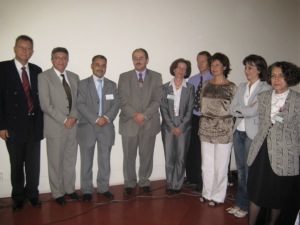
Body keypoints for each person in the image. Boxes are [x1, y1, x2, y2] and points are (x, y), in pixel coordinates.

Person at [247, 61, 300, 225]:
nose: (276, 79)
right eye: (273, 75)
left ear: (289, 77)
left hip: (285, 153)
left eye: (281, 76)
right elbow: (263, 124)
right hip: (261, 151)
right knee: (256, 192)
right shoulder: (263, 97)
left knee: (278, 194)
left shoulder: (298, 100)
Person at [0, 35, 43, 211]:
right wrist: (1, 125)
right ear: (15, 48)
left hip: (34, 123)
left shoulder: (37, 70)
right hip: (13, 126)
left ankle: (32, 195)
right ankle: (18, 197)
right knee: (17, 164)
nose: (25, 51)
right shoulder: (2, 68)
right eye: (21, 47)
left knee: (33, 165)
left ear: (32, 51)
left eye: (28, 48)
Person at [228, 55, 272, 218]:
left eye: (250, 67)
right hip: (239, 131)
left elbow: (254, 111)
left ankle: (247, 206)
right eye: (246, 67)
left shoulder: (266, 88)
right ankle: (240, 202)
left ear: (259, 69)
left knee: (249, 171)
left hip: (252, 134)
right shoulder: (241, 87)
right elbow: (232, 109)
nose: (247, 71)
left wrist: (243, 109)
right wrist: (246, 109)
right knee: (240, 170)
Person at [38, 47, 81, 205]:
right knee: (55, 161)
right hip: (55, 126)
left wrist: (74, 117)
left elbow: (78, 101)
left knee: (70, 159)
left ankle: (70, 189)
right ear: (52, 60)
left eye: (64, 58)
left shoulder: (74, 77)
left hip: (73, 126)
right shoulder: (44, 77)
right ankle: (57, 192)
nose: (61, 61)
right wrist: (65, 119)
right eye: (58, 57)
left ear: (68, 60)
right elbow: (45, 104)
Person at [118, 48, 163, 195]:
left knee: (147, 154)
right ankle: (129, 182)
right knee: (129, 156)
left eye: (141, 57)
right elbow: (122, 99)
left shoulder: (156, 77)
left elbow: (157, 99)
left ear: (147, 60)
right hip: (129, 123)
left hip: (149, 123)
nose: (138, 60)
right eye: (135, 58)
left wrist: (144, 115)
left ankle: (144, 181)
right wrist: (134, 115)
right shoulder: (124, 77)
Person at [77, 55, 119, 202]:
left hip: (106, 127)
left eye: (103, 65)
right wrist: (96, 119)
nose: (100, 68)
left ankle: (103, 188)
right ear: (92, 66)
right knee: (86, 161)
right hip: (87, 127)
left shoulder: (112, 85)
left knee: (104, 161)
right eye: (97, 64)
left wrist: (106, 118)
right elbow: (80, 104)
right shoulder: (82, 84)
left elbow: (116, 105)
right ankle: (87, 190)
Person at [198, 52, 236, 206]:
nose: (214, 68)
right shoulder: (206, 85)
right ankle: (207, 193)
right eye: (212, 65)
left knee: (221, 164)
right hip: (206, 127)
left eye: (217, 65)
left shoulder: (231, 87)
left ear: (225, 67)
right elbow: (202, 105)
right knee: (206, 163)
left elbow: (234, 110)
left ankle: (218, 196)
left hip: (223, 128)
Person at [160, 58, 194, 194]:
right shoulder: (165, 87)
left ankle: (177, 185)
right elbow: (162, 107)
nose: (181, 71)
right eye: (178, 68)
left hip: (184, 127)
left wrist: (180, 126)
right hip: (168, 126)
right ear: (174, 69)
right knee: (169, 157)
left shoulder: (190, 88)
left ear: (186, 72)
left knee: (180, 157)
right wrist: (171, 125)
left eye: (184, 69)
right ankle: (170, 183)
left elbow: (190, 109)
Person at [185, 51, 213, 192]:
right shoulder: (192, 80)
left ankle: (203, 181)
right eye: (198, 61)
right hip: (193, 117)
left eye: (202, 61)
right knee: (191, 148)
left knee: (204, 151)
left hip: (207, 118)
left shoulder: (214, 80)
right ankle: (191, 177)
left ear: (209, 62)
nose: (199, 64)